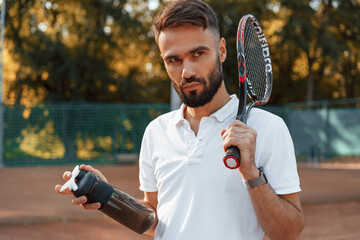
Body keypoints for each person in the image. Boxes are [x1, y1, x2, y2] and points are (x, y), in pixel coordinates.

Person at [55, 0, 305, 239]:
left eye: (198, 53)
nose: (187, 72)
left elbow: (289, 233)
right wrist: (107, 196)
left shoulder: (268, 128)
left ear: (222, 50)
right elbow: (153, 221)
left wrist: (251, 173)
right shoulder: (156, 132)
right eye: (173, 60)